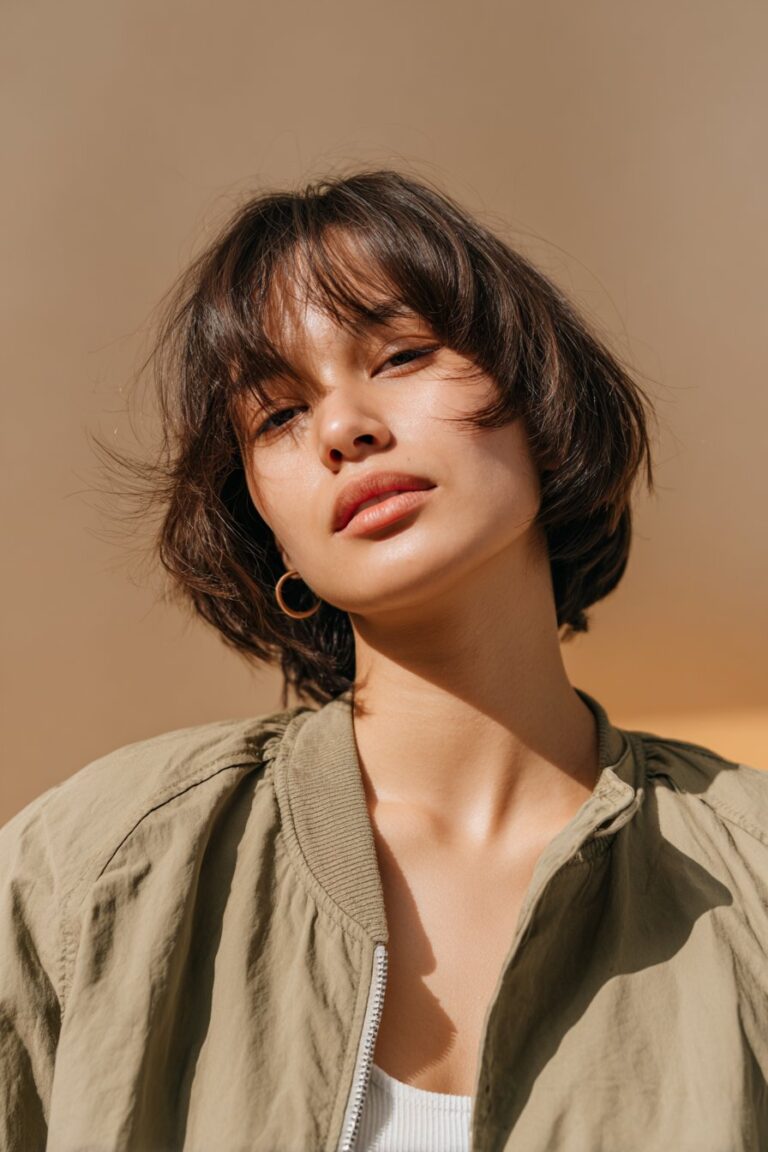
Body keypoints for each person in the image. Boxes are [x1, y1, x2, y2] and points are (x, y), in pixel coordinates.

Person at [1, 169, 766, 1152]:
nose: (343, 428)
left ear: (541, 402)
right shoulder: (88, 874)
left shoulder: (752, 875)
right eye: (277, 417)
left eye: (401, 355)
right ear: (265, 526)